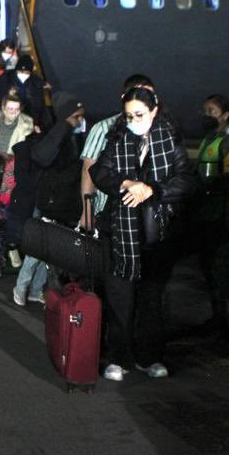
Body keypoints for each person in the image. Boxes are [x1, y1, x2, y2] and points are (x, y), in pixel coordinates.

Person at [91, 87, 196, 381]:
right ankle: (118, 357)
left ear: (154, 110)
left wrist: (154, 189)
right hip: (120, 232)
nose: (134, 120)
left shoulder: (170, 139)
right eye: (128, 116)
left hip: (157, 233)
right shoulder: (117, 137)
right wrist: (125, 183)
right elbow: (99, 172)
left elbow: (186, 180)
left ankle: (149, 357)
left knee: (151, 299)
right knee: (119, 299)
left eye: (139, 114)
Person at [12, 92, 86, 306]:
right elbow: (43, 158)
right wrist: (64, 128)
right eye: (76, 116)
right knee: (39, 247)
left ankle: (35, 289)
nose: (80, 121)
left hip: (62, 200)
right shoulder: (56, 136)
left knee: (51, 250)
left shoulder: (72, 136)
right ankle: (22, 285)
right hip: (50, 198)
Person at [190, 94, 229, 345]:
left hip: (225, 214)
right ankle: (219, 318)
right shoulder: (209, 140)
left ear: (225, 115)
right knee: (211, 269)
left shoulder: (228, 142)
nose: (206, 115)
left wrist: (206, 190)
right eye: (204, 110)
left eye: (212, 111)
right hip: (207, 214)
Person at [79, 74, 157, 228]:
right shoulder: (104, 128)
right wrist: (86, 212)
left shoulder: (159, 130)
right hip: (107, 211)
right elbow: (89, 169)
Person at [0, 56, 47, 124]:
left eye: (26, 73)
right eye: (20, 71)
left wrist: (36, 124)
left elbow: (38, 108)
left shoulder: (36, 84)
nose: (23, 75)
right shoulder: (5, 79)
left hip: (25, 122)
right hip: (3, 118)